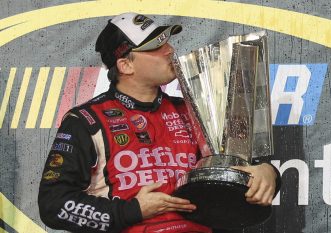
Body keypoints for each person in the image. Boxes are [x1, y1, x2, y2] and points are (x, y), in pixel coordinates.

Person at [38, 12, 281, 233]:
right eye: (155, 46)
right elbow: (53, 204)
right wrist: (133, 210)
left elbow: (235, 169)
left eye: (166, 42)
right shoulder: (86, 120)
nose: (170, 50)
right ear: (126, 64)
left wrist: (267, 173)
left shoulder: (194, 109)